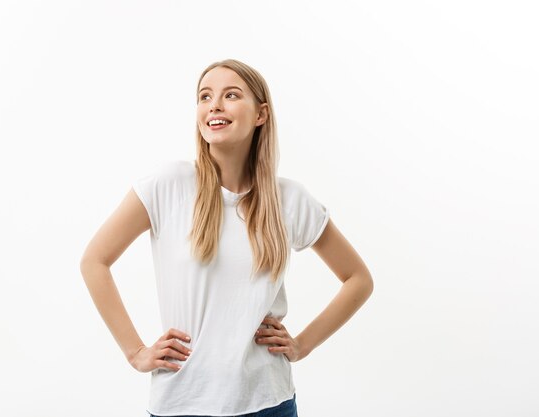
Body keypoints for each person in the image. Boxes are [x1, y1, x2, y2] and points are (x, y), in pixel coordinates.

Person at [80, 58, 374, 417]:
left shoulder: (290, 201)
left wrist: (302, 345)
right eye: (204, 97)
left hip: (269, 403)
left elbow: (358, 280)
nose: (214, 105)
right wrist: (135, 351)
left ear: (261, 114)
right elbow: (95, 261)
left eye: (230, 95)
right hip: (181, 404)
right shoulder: (167, 185)